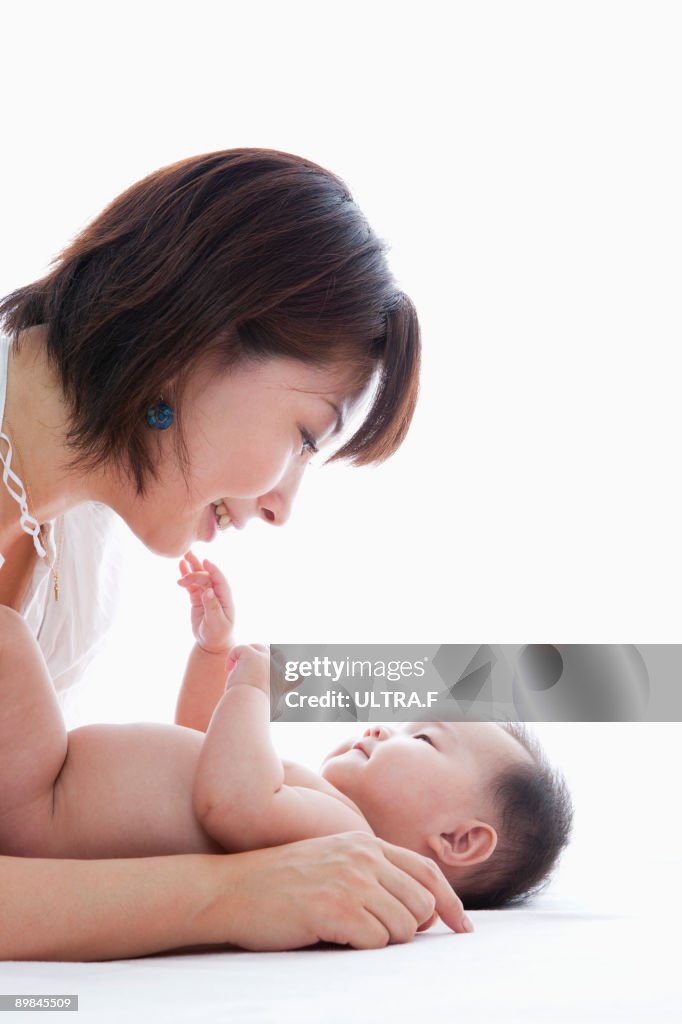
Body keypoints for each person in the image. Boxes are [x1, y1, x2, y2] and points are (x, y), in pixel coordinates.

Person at [0, 148, 466, 960]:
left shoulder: (80, 556)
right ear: (203, 339)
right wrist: (231, 897)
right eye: (302, 437)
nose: (283, 505)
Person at [0, 553, 571, 917]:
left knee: (8, 631)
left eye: (423, 740)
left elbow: (230, 803)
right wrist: (212, 652)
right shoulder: (315, 814)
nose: (379, 729)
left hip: (42, 804)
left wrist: (251, 689)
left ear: (458, 840)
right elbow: (199, 748)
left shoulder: (348, 836)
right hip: (45, 796)